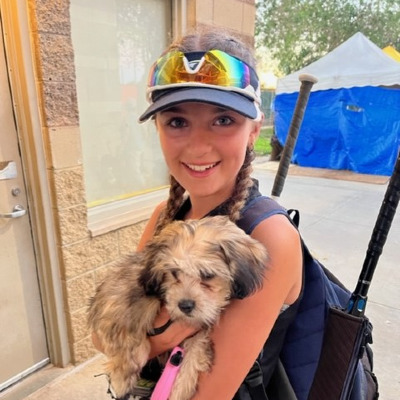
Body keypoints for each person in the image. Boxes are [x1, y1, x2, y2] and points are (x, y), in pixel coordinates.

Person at [93, 28, 303, 399]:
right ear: (158, 129)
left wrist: (142, 339)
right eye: (177, 122)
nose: (198, 146)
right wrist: (151, 339)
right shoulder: (166, 214)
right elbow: (101, 335)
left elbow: (208, 393)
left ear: (254, 130)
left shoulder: (270, 237)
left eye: (223, 120)